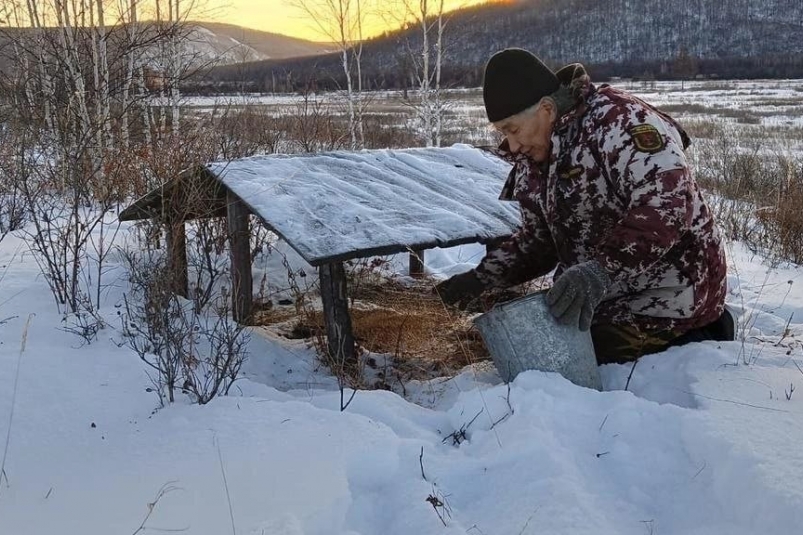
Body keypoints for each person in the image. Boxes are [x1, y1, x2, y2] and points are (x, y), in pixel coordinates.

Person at [436, 48, 734, 364]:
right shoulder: (536, 154)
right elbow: (539, 243)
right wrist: (478, 280)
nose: (511, 145)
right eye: (502, 133)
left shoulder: (620, 123)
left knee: (555, 360)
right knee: (517, 348)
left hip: (671, 297)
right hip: (604, 298)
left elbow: (667, 206)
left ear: (546, 109)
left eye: (512, 129)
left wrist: (599, 272)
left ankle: (704, 333)